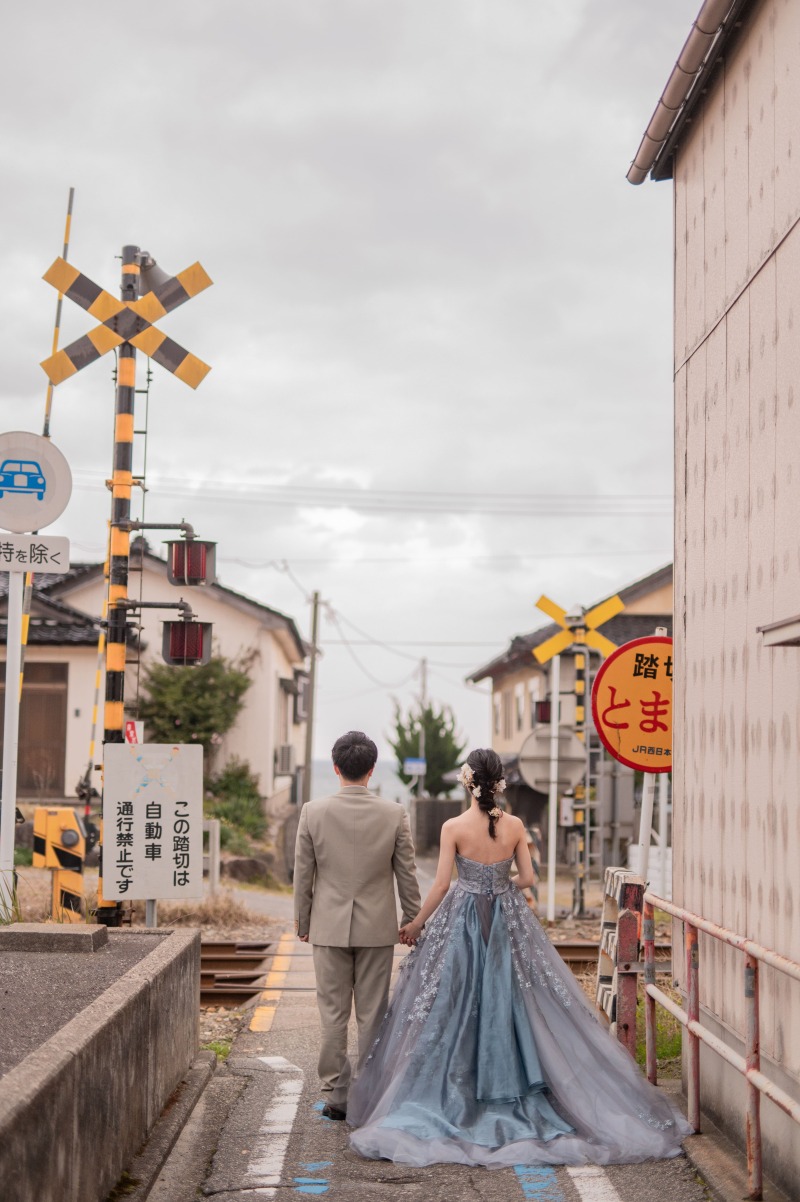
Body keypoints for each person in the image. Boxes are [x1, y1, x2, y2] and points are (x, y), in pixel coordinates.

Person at [348, 747, 692, 1167]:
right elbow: (528, 879)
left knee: (451, 1002)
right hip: (506, 917)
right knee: (519, 1000)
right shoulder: (514, 826)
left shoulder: (453, 826)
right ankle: (519, 1080)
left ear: (467, 781)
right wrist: (502, 880)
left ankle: (456, 1089)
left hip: (462, 919)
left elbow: (440, 886)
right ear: (499, 783)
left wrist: (417, 923)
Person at [294, 730, 421, 1121]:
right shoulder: (394, 813)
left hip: (328, 927)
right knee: (372, 1014)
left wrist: (303, 920)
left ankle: (335, 1095)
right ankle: (369, 1093)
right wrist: (412, 921)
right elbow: (407, 874)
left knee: (332, 1014)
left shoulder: (312, 812)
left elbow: (303, 874)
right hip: (376, 928)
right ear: (370, 770)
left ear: (336, 768)